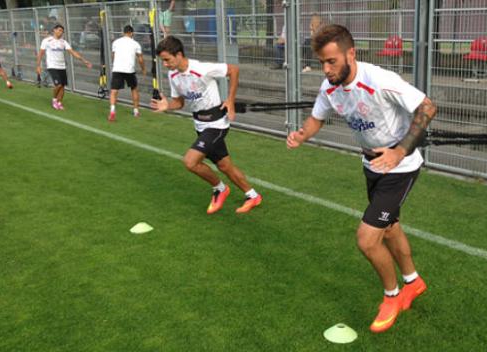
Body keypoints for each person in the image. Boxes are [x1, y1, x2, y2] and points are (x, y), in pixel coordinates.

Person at [286, 24, 436, 333]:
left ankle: (391, 296)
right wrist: (302, 135)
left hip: (400, 167)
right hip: (371, 166)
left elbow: (427, 106)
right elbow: (317, 117)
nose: (326, 69)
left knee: (368, 239)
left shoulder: (378, 79)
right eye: (322, 63)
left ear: (350, 54)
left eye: (332, 62)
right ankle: (413, 281)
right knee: (391, 227)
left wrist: (399, 151)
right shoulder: (329, 87)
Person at [150, 36, 263, 214]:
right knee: (225, 166)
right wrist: (167, 106)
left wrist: (230, 100)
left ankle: (220, 189)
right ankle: (253, 195)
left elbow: (233, 70)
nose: (165, 64)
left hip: (216, 124)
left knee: (190, 162)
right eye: (163, 61)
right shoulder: (173, 76)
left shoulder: (201, 69)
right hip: (200, 125)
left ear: (178, 54)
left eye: (167, 60)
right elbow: (178, 103)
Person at [36, 24, 92, 110]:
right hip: (52, 66)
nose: (60, 32)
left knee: (62, 86)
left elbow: (72, 52)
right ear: (54, 30)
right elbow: (41, 53)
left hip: (62, 66)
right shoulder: (46, 41)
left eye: (62, 31)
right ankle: (54, 100)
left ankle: (59, 103)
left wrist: (84, 60)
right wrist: (38, 66)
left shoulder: (63, 42)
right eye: (59, 30)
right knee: (58, 85)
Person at [108, 25, 147, 122]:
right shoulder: (136, 44)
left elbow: (113, 55)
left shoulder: (116, 42)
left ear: (123, 32)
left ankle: (112, 111)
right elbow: (140, 59)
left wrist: (115, 64)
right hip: (130, 70)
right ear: (132, 33)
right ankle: (136, 110)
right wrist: (143, 69)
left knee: (114, 91)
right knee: (134, 89)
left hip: (117, 69)